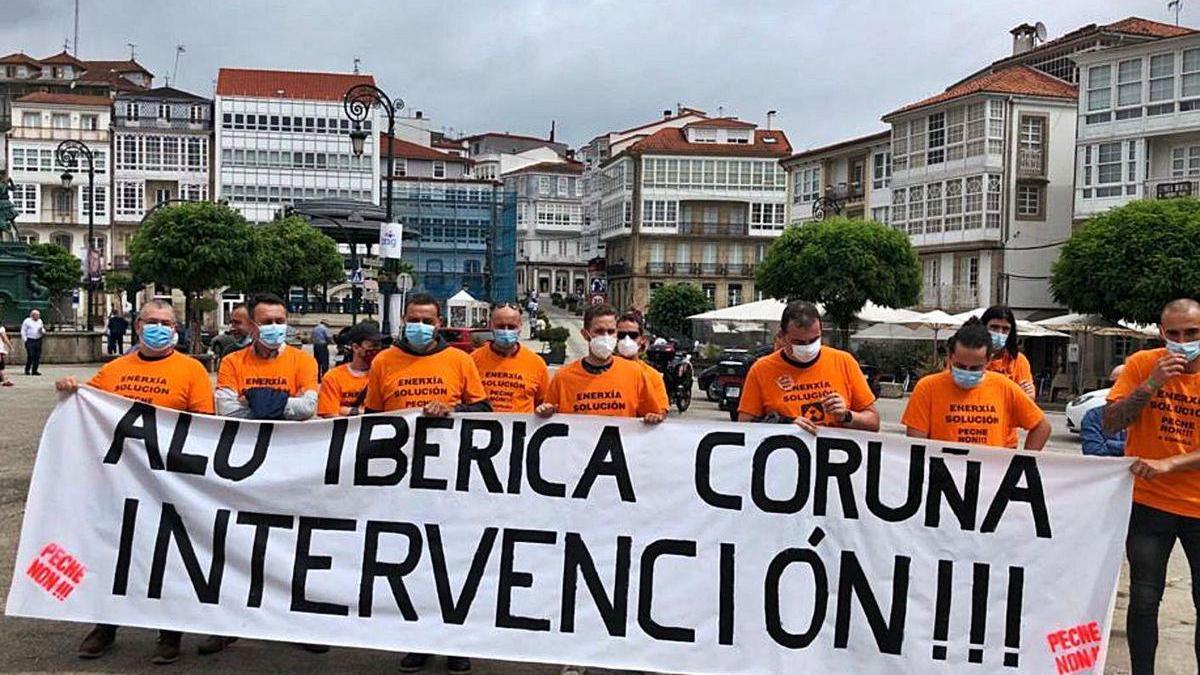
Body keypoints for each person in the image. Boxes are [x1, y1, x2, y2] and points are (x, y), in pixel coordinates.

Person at [55, 299, 213, 665]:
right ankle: (105, 626)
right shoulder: (113, 370)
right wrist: (67, 389)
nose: (160, 328)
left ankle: (169, 634)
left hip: (168, 481)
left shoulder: (191, 371)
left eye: (167, 323)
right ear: (137, 326)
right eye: (152, 321)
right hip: (118, 481)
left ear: (176, 329)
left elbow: (206, 426)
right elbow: (85, 406)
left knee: (166, 557)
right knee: (113, 553)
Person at [367, 293, 489, 675]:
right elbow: (370, 418)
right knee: (412, 565)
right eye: (413, 319)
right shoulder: (384, 361)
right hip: (402, 482)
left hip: (452, 479)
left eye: (428, 320)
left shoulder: (459, 360)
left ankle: (456, 642)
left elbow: (484, 410)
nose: (420, 325)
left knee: (452, 563)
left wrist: (452, 411)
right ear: (404, 319)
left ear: (438, 324)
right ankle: (419, 641)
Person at [1103, 298, 1200, 675]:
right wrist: (1152, 383)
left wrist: (1170, 463)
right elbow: (1111, 422)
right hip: (1148, 502)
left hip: (1196, 506)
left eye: (1192, 333)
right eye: (1173, 334)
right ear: (1161, 333)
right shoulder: (1143, 364)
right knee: (1143, 599)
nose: (1182, 341)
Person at [902, 320, 1050, 450]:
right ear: (950, 357)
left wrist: (1023, 463)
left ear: (987, 362)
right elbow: (916, 444)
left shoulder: (1004, 386)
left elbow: (1042, 427)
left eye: (975, 368)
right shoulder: (927, 388)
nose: (967, 371)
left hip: (992, 476)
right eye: (960, 365)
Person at [737, 301, 880, 433]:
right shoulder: (761, 369)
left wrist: (846, 416)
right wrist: (784, 423)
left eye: (814, 340)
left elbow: (873, 422)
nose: (808, 347)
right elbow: (745, 424)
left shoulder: (844, 361)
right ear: (782, 336)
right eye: (799, 342)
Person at [536, 303, 665, 423]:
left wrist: (654, 418)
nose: (606, 337)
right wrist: (545, 413)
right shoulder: (563, 378)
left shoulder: (635, 374)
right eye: (599, 331)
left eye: (611, 331)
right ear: (585, 335)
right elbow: (548, 415)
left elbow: (653, 415)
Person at [214, 293, 319, 423]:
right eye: (267, 322)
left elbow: (307, 408)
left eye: (280, 321)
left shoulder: (304, 361)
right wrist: (286, 403)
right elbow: (227, 410)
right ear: (252, 326)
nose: (274, 326)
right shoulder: (231, 361)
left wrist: (252, 400)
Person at [470, 303, 549, 413]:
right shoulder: (472, 360)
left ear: (520, 327)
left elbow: (542, 403)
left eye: (511, 327)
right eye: (500, 326)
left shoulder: (537, 363)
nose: (506, 331)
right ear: (490, 326)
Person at [317, 322, 382, 417]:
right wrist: (360, 412)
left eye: (379, 346)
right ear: (356, 347)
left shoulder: (383, 375)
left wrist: (345, 410)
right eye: (372, 346)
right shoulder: (333, 377)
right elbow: (329, 413)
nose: (377, 350)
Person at [615, 312, 669, 415]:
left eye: (633, 335)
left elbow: (661, 410)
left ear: (642, 339)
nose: (627, 340)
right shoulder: (604, 371)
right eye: (621, 335)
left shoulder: (652, 376)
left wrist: (655, 416)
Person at [1081, 365, 1127, 457]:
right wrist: (1127, 447)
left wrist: (1109, 444)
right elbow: (1093, 450)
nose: (1117, 389)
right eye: (1112, 384)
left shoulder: (1147, 417)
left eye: (1124, 385)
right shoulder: (1093, 416)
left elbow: (1148, 450)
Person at [211, 304, 251, 371]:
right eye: (231, 322)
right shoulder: (229, 352)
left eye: (237, 323)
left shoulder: (265, 351)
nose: (232, 328)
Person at [21, 308, 44, 376]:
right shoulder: (27, 321)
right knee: (31, 355)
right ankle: (27, 369)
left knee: (37, 356)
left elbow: (42, 329)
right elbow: (23, 331)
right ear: (32, 315)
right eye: (36, 315)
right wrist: (25, 340)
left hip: (38, 339)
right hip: (30, 340)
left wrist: (42, 331)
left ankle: (35, 370)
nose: (38, 316)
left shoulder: (40, 321)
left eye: (38, 315)